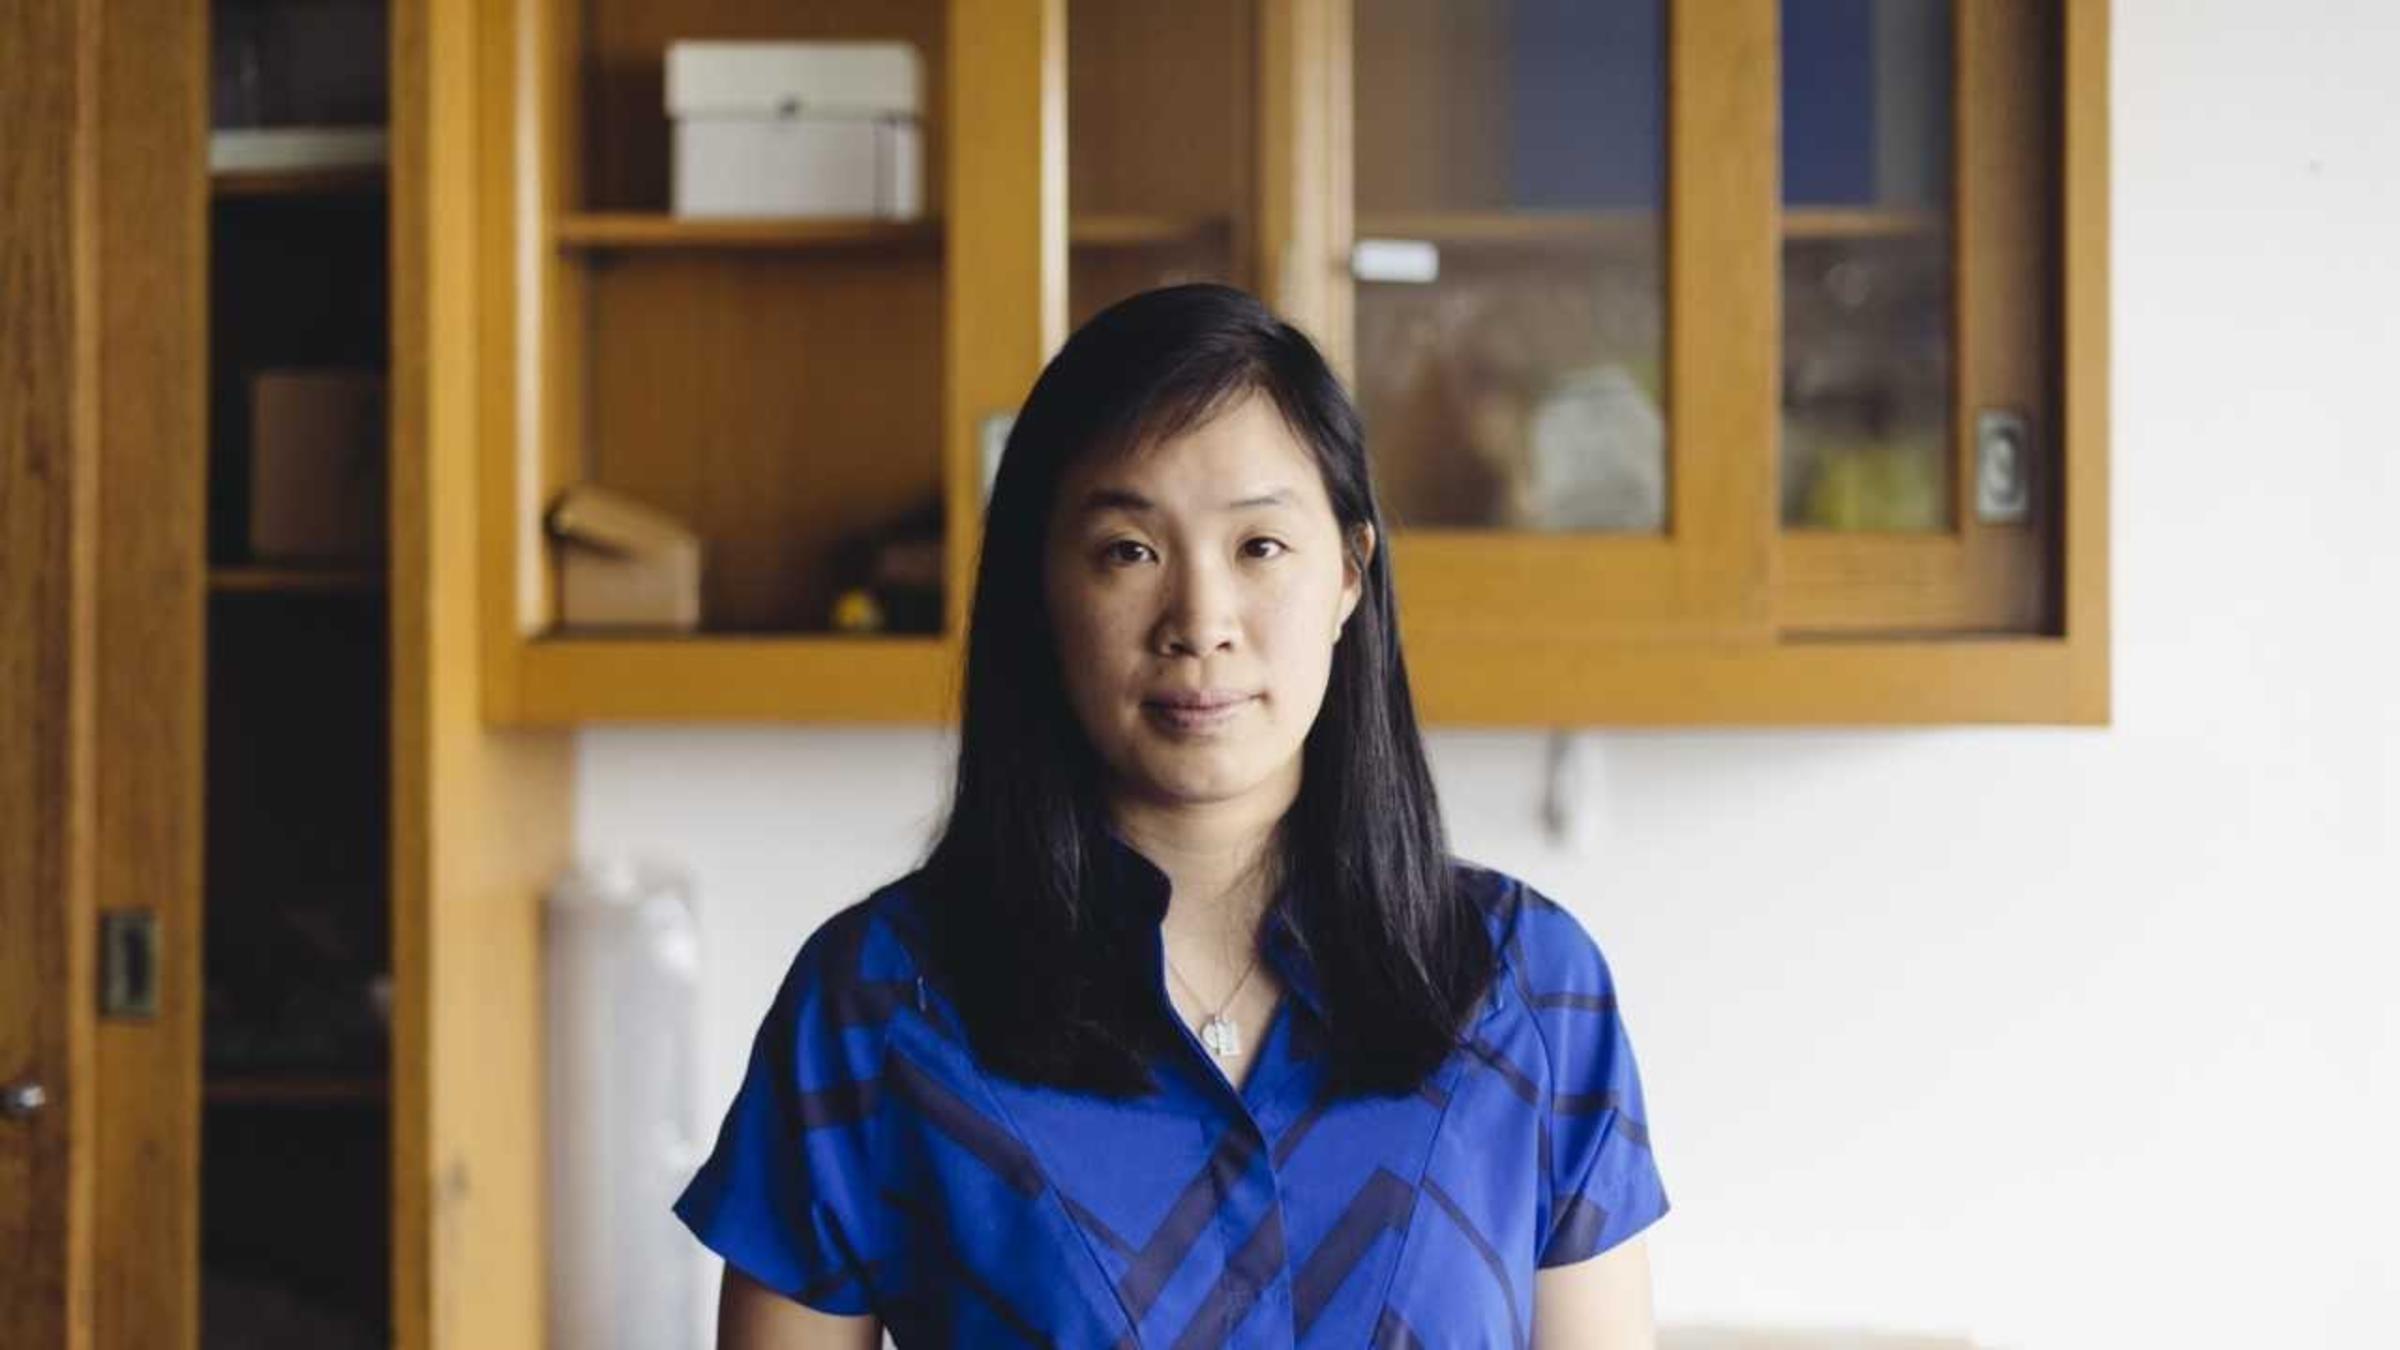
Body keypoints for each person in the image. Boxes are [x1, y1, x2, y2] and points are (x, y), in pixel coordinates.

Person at [674, 284, 1669, 1348]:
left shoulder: (1531, 989)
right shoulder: (875, 1008)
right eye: (1128, 551)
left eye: (1260, 548)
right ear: (1041, 589)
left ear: (1348, 572)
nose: (1200, 623)